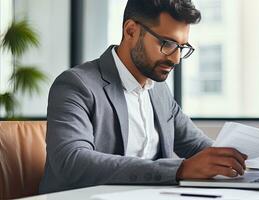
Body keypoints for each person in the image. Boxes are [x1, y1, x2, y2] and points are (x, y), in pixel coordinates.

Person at [39, 0, 247, 193]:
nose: (175, 58)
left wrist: (256, 162)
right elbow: (72, 162)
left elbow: (198, 146)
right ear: (131, 31)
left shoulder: (158, 90)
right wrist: (178, 170)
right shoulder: (76, 85)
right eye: (167, 43)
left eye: (181, 47)